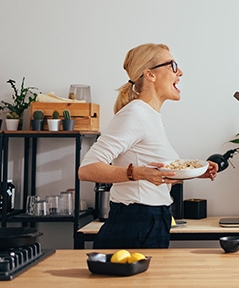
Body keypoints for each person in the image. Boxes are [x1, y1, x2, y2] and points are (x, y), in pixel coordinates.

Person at [78, 43, 218, 249]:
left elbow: (155, 172)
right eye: (172, 65)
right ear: (150, 75)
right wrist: (139, 173)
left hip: (153, 219)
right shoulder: (136, 114)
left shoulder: (150, 116)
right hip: (134, 222)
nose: (180, 72)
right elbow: (87, 169)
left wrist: (194, 172)